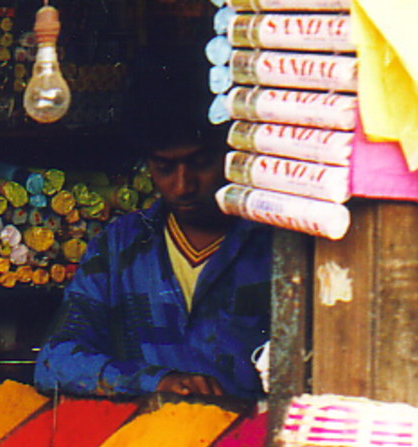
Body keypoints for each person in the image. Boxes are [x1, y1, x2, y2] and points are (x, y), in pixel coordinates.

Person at [33, 88, 273, 399]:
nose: (183, 185)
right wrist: (156, 382)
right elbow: (54, 361)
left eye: (201, 163)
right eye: (165, 168)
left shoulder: (274, 246)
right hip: (144, 438)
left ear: (233, 155)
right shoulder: (119, 246)